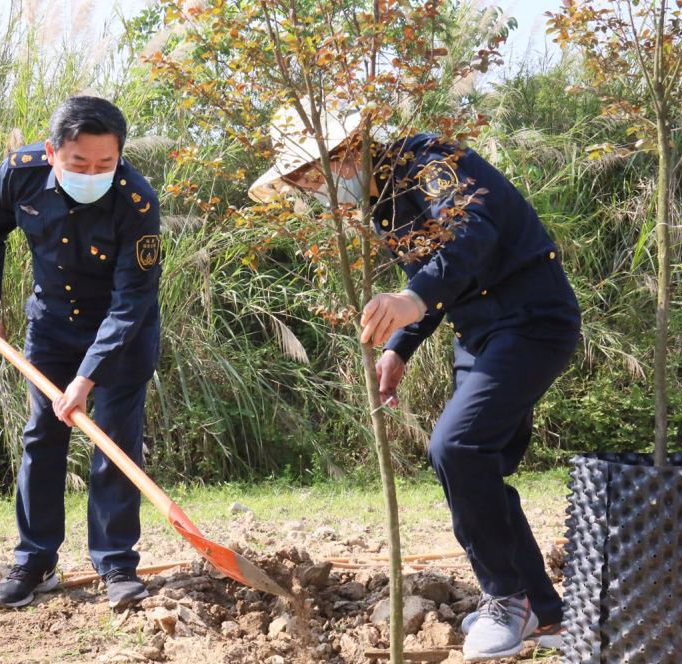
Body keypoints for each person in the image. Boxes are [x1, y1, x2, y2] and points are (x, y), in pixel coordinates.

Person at [249, 100, 581, 662]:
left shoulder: (427, 162)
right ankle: (546, 613)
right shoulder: (382, 202)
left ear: (347, 151)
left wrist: (411, 298)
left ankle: (505, 599)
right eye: (299, 181)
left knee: (457, 447)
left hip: (531, 320)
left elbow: (471, 235)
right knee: (480, 468)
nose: (309, 188)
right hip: (479, 334)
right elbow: (430, 279)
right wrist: (401, 346)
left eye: (310, 174)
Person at [0, 96, 162, 610]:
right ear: (53, 152)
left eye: (105, 164)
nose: (93, 173)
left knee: (115, 443)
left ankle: (116, 563)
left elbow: (132, 300)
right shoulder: (21, 173)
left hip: (121, 333)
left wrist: (87, 378)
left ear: (120, 155)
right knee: (42, 438)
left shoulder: (137, 202)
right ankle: (35, 561)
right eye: (79, 163)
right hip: (51, 326)